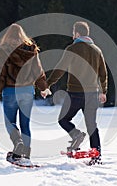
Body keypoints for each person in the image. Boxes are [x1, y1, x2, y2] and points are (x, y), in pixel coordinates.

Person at [44, 21, 108, 165]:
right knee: (92, 126)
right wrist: (103, 91)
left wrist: (47, 84)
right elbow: (103, 73)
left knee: (63, 120)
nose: (73, 35)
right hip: (92, 94)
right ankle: (96, 156)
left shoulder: (72, 49)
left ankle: (77, 135)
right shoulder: (97, 50)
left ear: (77, 33)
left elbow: (60, 69)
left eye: (73, 33)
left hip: (75, 93)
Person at [0, 23, 48, 166]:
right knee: (25, 124)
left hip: (10, 91)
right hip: (28, 91)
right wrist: (43, 87)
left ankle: (18, 144)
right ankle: (25, 156)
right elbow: (38, 71)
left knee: (9, 122)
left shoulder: (3, 50)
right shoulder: (31, 50)